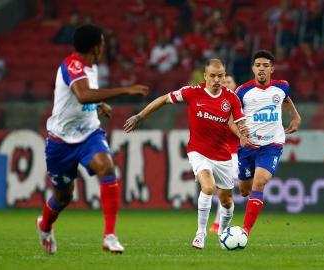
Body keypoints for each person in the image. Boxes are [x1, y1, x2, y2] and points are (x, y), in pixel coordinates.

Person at [36, 24, 149, 255]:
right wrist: (126, 90)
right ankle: (45, 226)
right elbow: (82, 94)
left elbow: (85, 95)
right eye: (102, 43)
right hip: (61, 141)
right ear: (96, 47)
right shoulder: (72, 65)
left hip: (89, 134)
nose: (104, 47)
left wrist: (98, 105)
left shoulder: (91, 68)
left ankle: (110, 235)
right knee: (63, 196)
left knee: (106, 167)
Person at [124, 59, 248, 249]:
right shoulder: (192, 92)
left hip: (223, 155)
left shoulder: (231, 98)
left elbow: (240, 122)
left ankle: (224, 232)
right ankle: (200, 234)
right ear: (205, 76)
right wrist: (139, 116)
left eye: (220, 76)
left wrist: (245, 134)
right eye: (213, 76)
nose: (217, 80)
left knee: (227, 201)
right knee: (207, 188)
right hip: (198, 152)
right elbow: (164, 99)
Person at [235, 50, 301, 236]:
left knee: (260, 182)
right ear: (253, 69)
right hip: (248, 146)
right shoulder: (243, 91)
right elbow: (232, 115)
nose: (261, 69)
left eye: (265, 66)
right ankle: (247, 215)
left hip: (272, 145)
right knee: (244, 190)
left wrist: (295, 117)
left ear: (272, 69)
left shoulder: (282, 87)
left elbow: (286, 100)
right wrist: (240, 134)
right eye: (258, 66)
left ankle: (245, 231)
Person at [209, 74, 241, 233]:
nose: (226, 84)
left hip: (234, 155)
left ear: (235, 85)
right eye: (223, 82)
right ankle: (218, 223)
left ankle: (219, 224)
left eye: (229, 81)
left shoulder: (239, 106)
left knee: (224, 190)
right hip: (217, 154)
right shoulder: (216, 105)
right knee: (219, 190)